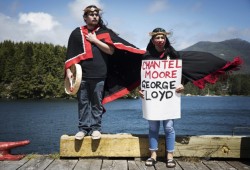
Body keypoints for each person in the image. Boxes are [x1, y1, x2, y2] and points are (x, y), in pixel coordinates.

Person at [65, 5, 145, 140]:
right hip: (81, 76)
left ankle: (96, 128)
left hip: (100, 74)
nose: (94, 16)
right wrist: (68, 70)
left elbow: (111, 51)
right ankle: (83, 129)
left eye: (96, 14)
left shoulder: (104, 32)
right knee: (83, 103)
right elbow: (71, 55)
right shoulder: (76, 33)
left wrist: (95, 40)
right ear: (85, 18)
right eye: (91, 14)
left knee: (96, 103)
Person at [140, 28, 184, 168]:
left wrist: (182, 85)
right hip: (152, 98)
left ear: (165, 39)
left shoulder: (173, 54)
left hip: (169, 98)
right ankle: (153, 155)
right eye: (157, 38)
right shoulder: (146, 57)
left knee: (169, 127)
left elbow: (181, 74)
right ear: (152, 40)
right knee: (153, 126)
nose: (160, 40)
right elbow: (142, 78)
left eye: (162, 37)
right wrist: (140, 90)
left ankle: (170, 156)